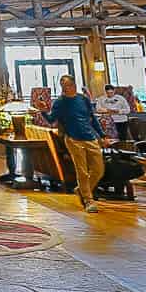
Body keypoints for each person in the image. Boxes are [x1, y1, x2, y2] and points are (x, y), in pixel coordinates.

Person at [43, 74, 106, 211]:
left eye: (67, 85)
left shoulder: (83, 99)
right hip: (73, 139)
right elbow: (51, 120)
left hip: (90, 137)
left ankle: (82, 190)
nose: (65, 88)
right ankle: (88, 200)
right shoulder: (59, 103)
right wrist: (43, 111)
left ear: (73, 85)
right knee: (82, 171)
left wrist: (102, 135)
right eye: (63, 86)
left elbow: (92, 118)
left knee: (98, 170)